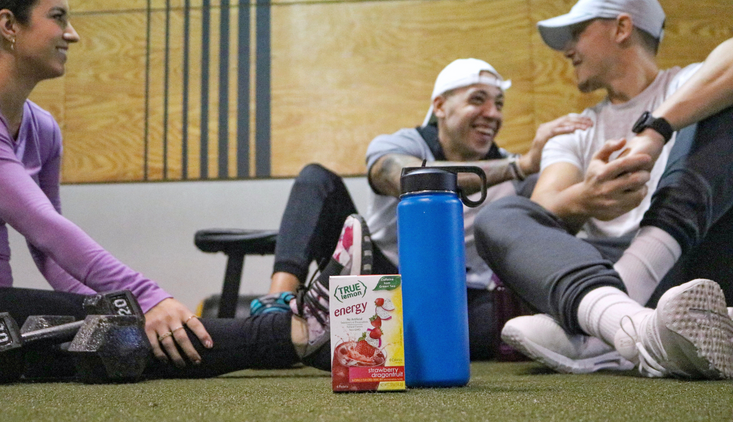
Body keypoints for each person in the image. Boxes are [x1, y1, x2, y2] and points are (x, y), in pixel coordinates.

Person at [0, 0, 332, 381]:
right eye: (57, 17)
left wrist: (112, 305)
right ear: (8, 25)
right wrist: (146, 297)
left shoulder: (43, 129)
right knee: (112, 325)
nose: (73, 33)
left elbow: (48, 252)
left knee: (109, 332)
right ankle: (295, 333)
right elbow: (43, 225)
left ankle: (301, 336)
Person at [252, 58, 593, 361]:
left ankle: (367, 336)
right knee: (317, 179)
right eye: (478, 99)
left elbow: (551, 236)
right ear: (440, 106)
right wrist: (520, 165)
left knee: (511, 323)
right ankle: (277, 307)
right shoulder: (402, 144)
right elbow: (406, 178)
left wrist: (590, 189)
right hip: (379, 273)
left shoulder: (513, 174)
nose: (493, 113)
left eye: (499, 104)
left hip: (455, 297)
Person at [474, 0, 733, 378]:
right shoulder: (575, 129)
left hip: (691, 264)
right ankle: (631, 323)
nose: (567, 50)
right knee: (499, 216)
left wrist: (654, 131)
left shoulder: (691, 84)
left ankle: (601, 334)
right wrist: (587, 197)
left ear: (622, 28)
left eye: (577, 33)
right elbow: (543, 210)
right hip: (596, 274)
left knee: (724, 108)